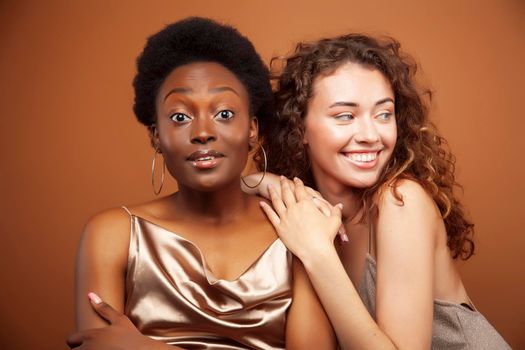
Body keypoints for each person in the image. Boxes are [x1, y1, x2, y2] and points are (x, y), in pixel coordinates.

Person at [68, 17, 336, 350]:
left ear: (252, 128)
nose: (203, 132)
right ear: (156, 136)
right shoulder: (114, 233)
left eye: (224, 113)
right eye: (180, 117)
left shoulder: (295, 231)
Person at [252, 34, 510, 349]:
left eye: (383, 114)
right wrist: (265, 181)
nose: (371, 134)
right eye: (345, 116)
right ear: (299, 127)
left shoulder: (400, 201)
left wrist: (318, 253)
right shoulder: (306, 210)